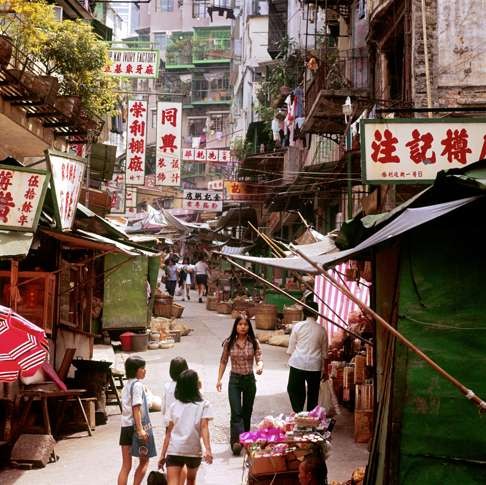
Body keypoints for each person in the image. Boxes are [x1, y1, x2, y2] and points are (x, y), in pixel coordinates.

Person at [217, 315, 263, 456]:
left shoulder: (254, 342)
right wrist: (219, 379)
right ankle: (236, 442)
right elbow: (223, 361)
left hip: (249, 380)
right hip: (234, 381)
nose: (243, 327)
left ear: (249, 327)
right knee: (236, 412)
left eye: (245, 324)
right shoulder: (229, 343)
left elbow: (259, 359)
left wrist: (260, 367)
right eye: (240, 324)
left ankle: (246, 439)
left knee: (246, 412)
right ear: (235, 326)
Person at [159, 369, 213, 485]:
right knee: (191, 480)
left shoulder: (174, 406)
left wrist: (162, 455)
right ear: (195, 385)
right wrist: (208, 449)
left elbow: (168, 433)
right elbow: (204, 428)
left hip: (175, 450)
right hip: (193, 451)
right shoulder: (204, 405)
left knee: (172, 482)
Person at [118, 356, 157, 485]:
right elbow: (136, 408)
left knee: (126, 466)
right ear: (136, 370)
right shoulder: (138, 385)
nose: (145, 371)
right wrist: (140, 430)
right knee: (144, 461)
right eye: (143, 368)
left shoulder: (126, 386)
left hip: (125, 427)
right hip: (136, 427)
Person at [287, 300, 328, 413]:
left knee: (293, 390)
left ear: (304, 313)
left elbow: (291, 349)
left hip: (297, 363)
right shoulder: (322, 330)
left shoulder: (297, 327)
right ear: (317, 314)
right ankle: (310, 418)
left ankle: (298, 413)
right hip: (315, 366)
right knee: (313, 394)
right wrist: (325, 371)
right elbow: (325, 354)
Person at [161, 357, 189, 485]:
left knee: (172, 457)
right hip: (184, 425)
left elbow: (163, 406)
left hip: (170, 424)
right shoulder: (188, 386)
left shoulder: (167, 386)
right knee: (182, 459)